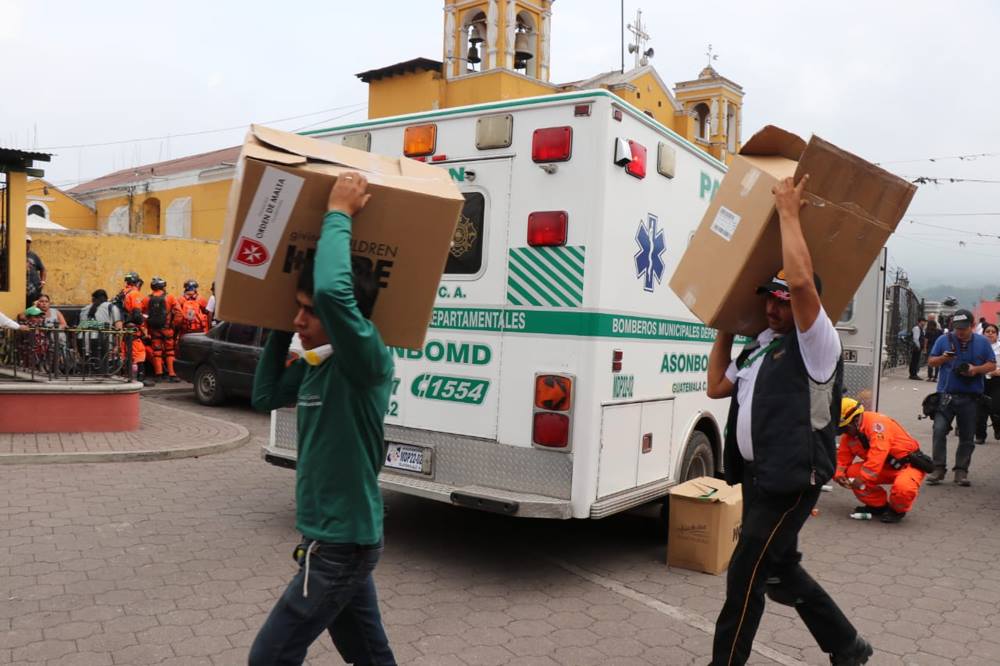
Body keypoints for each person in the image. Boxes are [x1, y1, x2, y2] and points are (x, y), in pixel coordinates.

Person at [706, 175, 871, 666]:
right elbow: (717, 386)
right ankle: (848, 646)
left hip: (792, 478)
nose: (775, 307)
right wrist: (725, 329)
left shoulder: (817, 344)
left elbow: (802, 282)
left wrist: (788, 213)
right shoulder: (762, 347)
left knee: (745, 578)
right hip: (759, 478)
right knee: (779, 569)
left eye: (784, 301)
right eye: (769, 299)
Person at [248, 172, 396, 666]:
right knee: (369, 656)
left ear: (345, 318)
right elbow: (265, 394)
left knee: (268, 658)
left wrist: (338, 212)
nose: (299, 320)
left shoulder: (365, 362)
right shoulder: (319, 366)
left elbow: (334, 294)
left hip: (340, 546)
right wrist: (275, 326)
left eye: (306, 312)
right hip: (329, 539)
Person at [926, 308, 997, 485]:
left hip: (971, 398)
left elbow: (991, 365)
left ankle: (961, 471)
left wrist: (975, 370)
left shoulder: (982, 342)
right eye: (957, 328)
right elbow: (930, 361)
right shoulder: (944, 339)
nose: (959, 332)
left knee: (967, 436)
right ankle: (938, 468)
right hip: (946, 396)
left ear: (972, 326)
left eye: (963, 328)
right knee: (939, 430)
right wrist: (943, 358)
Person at [835, 398, 929, 523]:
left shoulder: (877, 425)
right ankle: (878, 506)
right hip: (884, 467)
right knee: (852, 472)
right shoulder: (850, 435)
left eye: (844, 429)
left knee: (903, 488)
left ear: (855, 421)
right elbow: (842, 458)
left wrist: (862, 479)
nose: (844, 433)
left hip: (907, 466)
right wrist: (839, 475)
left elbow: (878, 455)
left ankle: (897, 511)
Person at [143, 277, 180, 382]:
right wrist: (173, 325)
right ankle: (172, 374)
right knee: (170, 352)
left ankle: (158, 375)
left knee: (157, 352)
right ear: (162, 287)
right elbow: (179, 313)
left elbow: (143, 315)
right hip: (167, 329)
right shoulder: (170, 298)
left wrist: (146, 328)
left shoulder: (147, 299)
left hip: (154, 330)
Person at [974, 323, 1000, 443]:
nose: (990, 333)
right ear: (983, 333)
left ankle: (998, 429)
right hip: (981, 380)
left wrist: (995, 372)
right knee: (980, 409)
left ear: (997, 334)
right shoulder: (977, 347)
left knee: (995, 407)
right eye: (987, 331)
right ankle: (980, 435)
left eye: (993, 332)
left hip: (997, 381)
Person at [25, 234, 46, 308]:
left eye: (28, 241)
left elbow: (43, 269)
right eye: (25, 241)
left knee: (34, 306)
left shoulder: (33, 255)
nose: (26, 243)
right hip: (21, 286)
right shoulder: (14, 254)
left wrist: (43, 281)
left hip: (34, 287)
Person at [924, 318, 942, 382]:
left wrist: (925, 349)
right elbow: (941, 340)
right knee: (937, 362)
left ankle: (930, 376)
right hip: (938, 347)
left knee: (930, 362)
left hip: (930, 347)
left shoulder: (928, 332)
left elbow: (926, 341)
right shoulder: (939, 331)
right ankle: (935, 377)